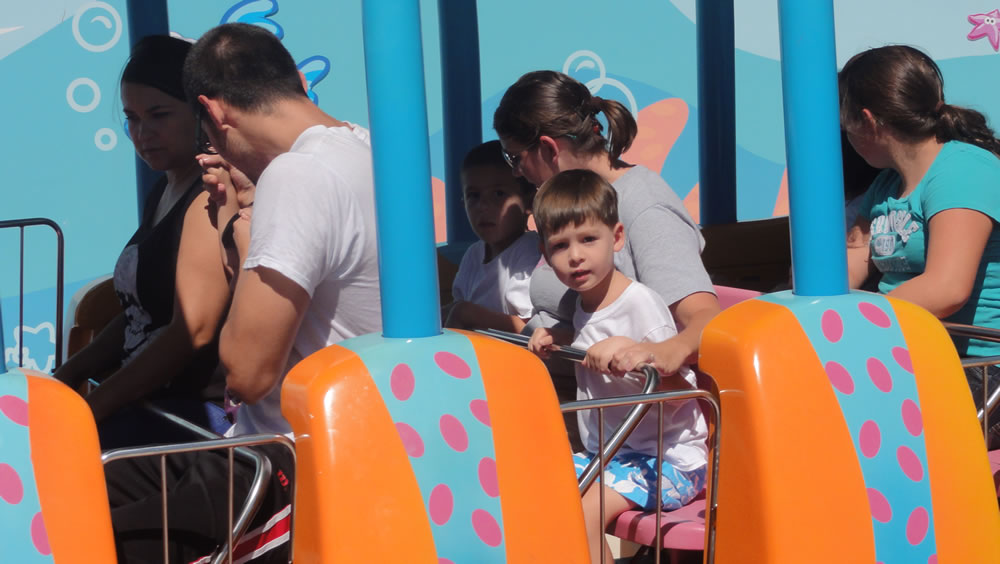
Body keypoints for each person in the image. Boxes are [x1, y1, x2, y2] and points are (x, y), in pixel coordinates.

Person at [105, 23, 382, 563]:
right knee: (72, 482)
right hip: (303, 442)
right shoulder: (365, 147)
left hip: (292, 465)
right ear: (295, 80)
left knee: (79, 534)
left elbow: (246, 374)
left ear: (212, 112)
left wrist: (242, 232)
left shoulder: (296, 176)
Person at [54, 35, 230, 445]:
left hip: (191, 419)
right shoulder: (164, 189)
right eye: (132, 118)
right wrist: (67, 374)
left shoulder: (209, 195)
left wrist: (92, 409)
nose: (142, 133)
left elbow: (191, 332)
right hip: (144, 407)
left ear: (200, 112)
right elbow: (142, 315)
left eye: (159, 115)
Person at [526, 170, 707, 564]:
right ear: (545, 254)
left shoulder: (639, 304)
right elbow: (591, 337)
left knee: (584, 513)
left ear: (617, 237)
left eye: (588, 239)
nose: (575, 256)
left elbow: (680, 391)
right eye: (560, 245)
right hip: (614, 454)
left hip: (669, 460)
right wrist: (556, 337)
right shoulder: (585, 302)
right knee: (536, 485)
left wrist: (635, 353)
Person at [493, 70, 721, 378]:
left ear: (548, 148)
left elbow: (705, 319)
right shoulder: (576, 203)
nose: (516, 173)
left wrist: (657, 354)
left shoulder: (645, 207)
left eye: (514, 158)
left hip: (624, 403)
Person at [840, 45, 1000, 445]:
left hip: (980, 366)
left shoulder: (963, 169)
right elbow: (851, 261)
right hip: (911, 351)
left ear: (867, 120)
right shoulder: (887, 184)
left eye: (843, 120)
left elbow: (947, 288)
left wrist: (853, 322)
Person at [445, 140, 541, 333]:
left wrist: (467, 314)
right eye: (474, 196)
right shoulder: (473, 254)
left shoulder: (530, 251)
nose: (483, 206)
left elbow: (531, 329)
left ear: (529, 202)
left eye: (498, 194)